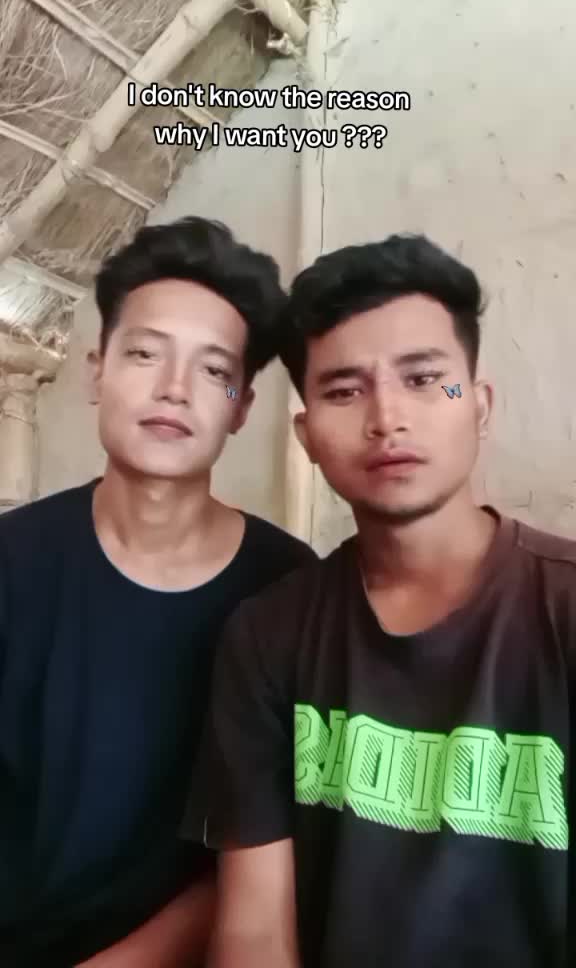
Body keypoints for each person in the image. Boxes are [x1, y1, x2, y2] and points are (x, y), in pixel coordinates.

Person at [185, 234, 576, 968]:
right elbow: (256, 930)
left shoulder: (563, 607)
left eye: (427, 380)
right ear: (306, 435)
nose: (387, 416)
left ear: (478, 405)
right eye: (343, 390)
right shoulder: (269, 635)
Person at [0, 217, 316, 967]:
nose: (174, 390)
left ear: (241, 407)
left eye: (213, 371)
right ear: (96, 372)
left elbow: (265, 851)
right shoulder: (12, 560)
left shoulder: (290, 591)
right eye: (144, 354)